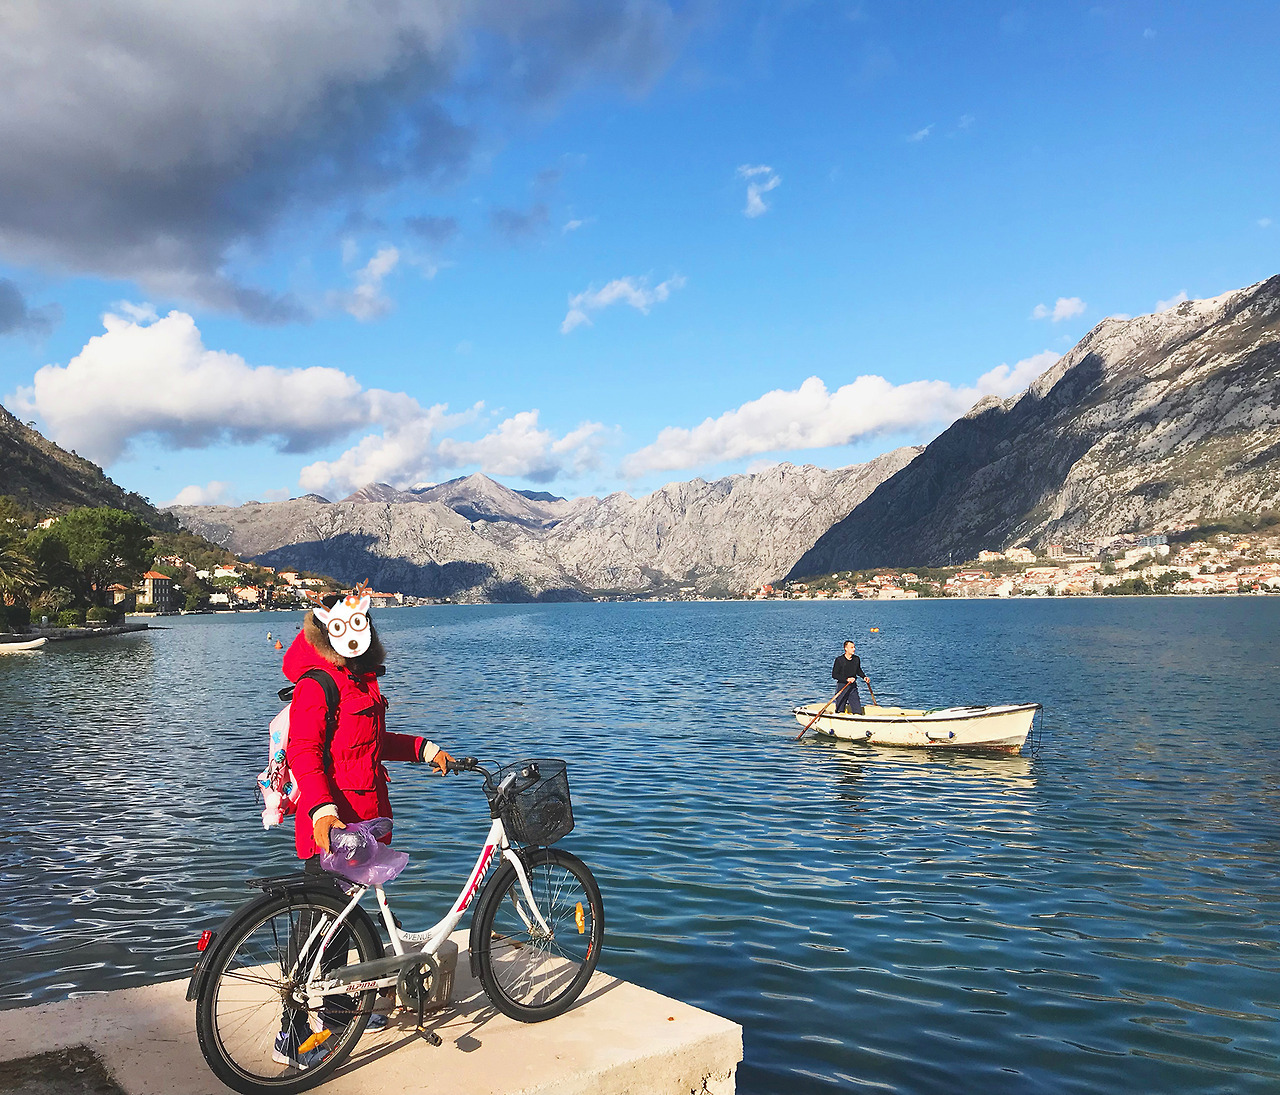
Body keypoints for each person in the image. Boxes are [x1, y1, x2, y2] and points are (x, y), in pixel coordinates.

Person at [275, 586, 456, 1071]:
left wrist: (423, 748)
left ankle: (340, 1012)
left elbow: (370, 742)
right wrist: (321, 813)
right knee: (319, 932)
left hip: (365, 827)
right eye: (343, 627)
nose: (356, 635)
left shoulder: (360, 680)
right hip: (334, 827)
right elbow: (304, 753)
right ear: (324, 631)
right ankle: (292, 1034)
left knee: (344, 924)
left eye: (363, 625)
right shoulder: (319, 684)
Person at [831, 640, 872, 714]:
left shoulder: (856, 659)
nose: (854, 649)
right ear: (846, 649)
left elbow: (858, 670)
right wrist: (847, 679)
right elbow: (834, 675)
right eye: (852, 647)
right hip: (842, 686)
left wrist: (864, 677)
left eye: (854, 647)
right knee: (840, 710)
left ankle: (857, 718)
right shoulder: (839, 660)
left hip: (852, 687)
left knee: (858, 711)